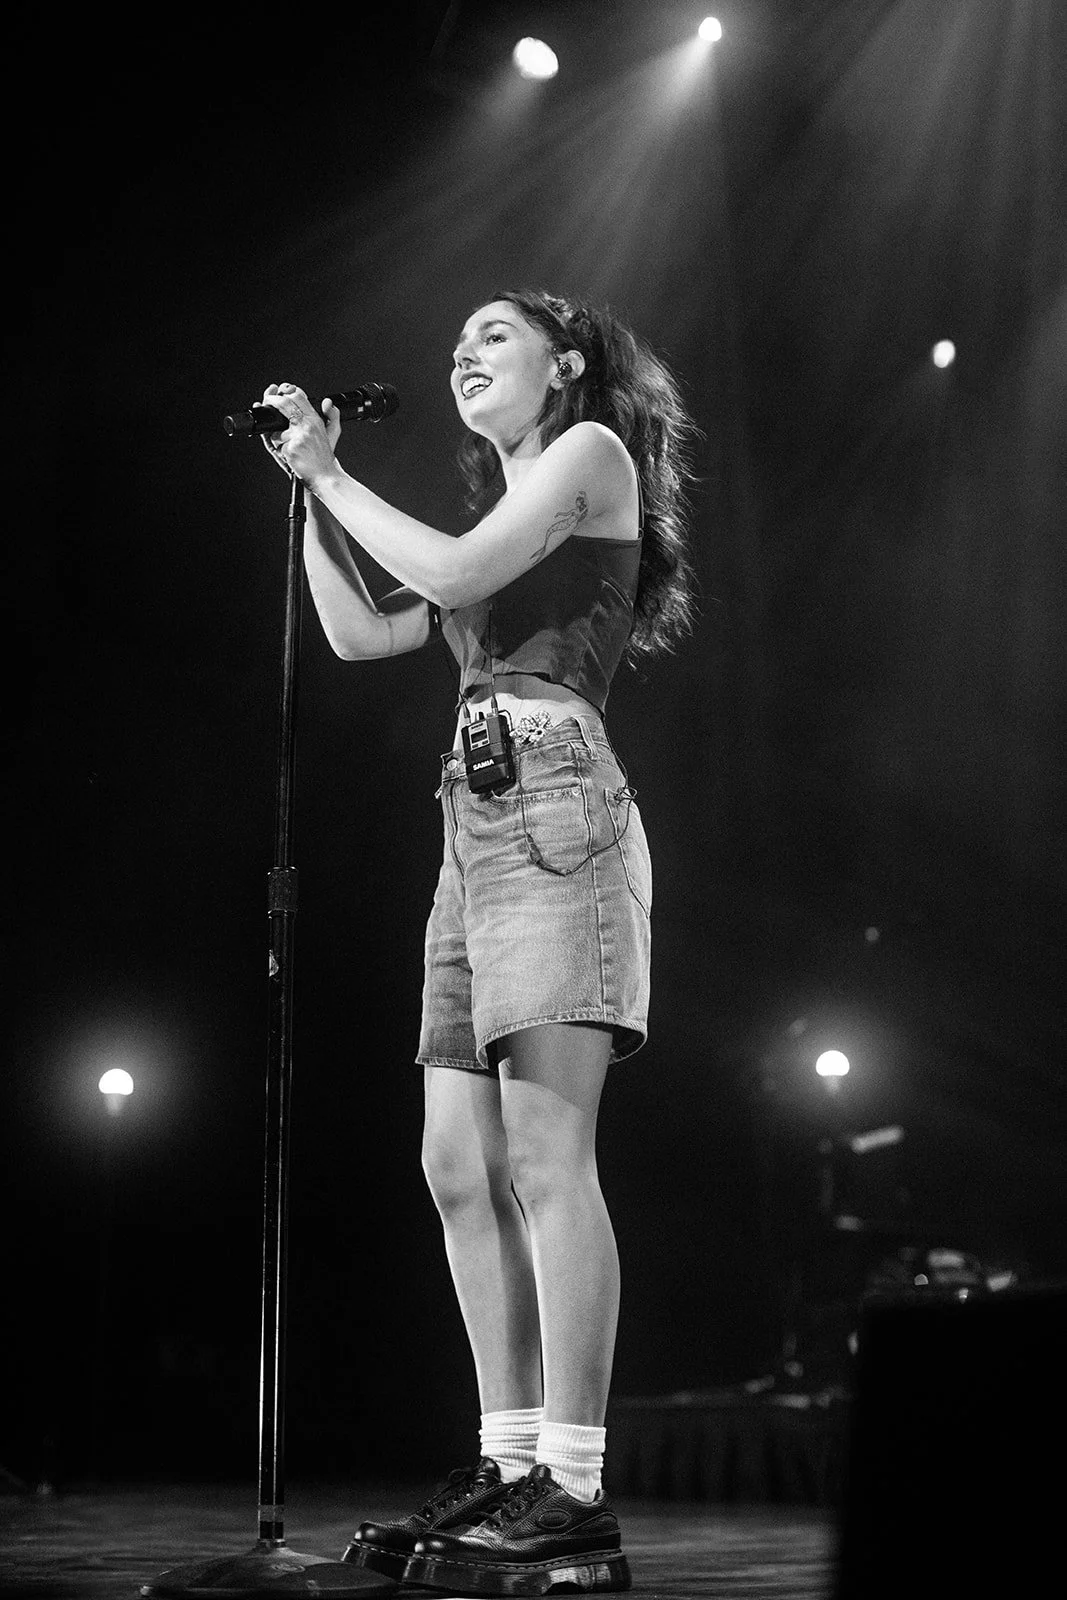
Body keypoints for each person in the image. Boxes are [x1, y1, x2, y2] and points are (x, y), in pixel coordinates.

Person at [261, 289, 696, 1595]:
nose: (464, 353)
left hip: (556, 806)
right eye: (456, 341)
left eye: (493, 336)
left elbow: (449, 577)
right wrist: (309, 501)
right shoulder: (500, 522)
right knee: (456, 1165)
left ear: (565, 363)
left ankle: (575, 1489)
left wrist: (334, 475)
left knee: (547, 1158)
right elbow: (362, 633)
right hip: (472, 824)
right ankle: (509, 1466)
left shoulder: (590, 455)